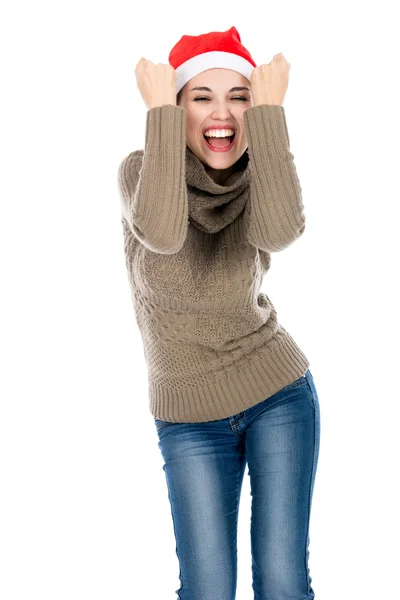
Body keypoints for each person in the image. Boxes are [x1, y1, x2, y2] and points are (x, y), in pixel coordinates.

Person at [118, 25, 321, 600]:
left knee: (283, 585)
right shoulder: (139, 173)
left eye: (238, 96)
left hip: (276, 393)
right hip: (188, 417)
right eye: (200, 97)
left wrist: (272, 113)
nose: (222, 113)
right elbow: (159, 231)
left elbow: (282, 233)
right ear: (174, 107)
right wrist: (157, 109)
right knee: (206, 590)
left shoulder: (265, 172)